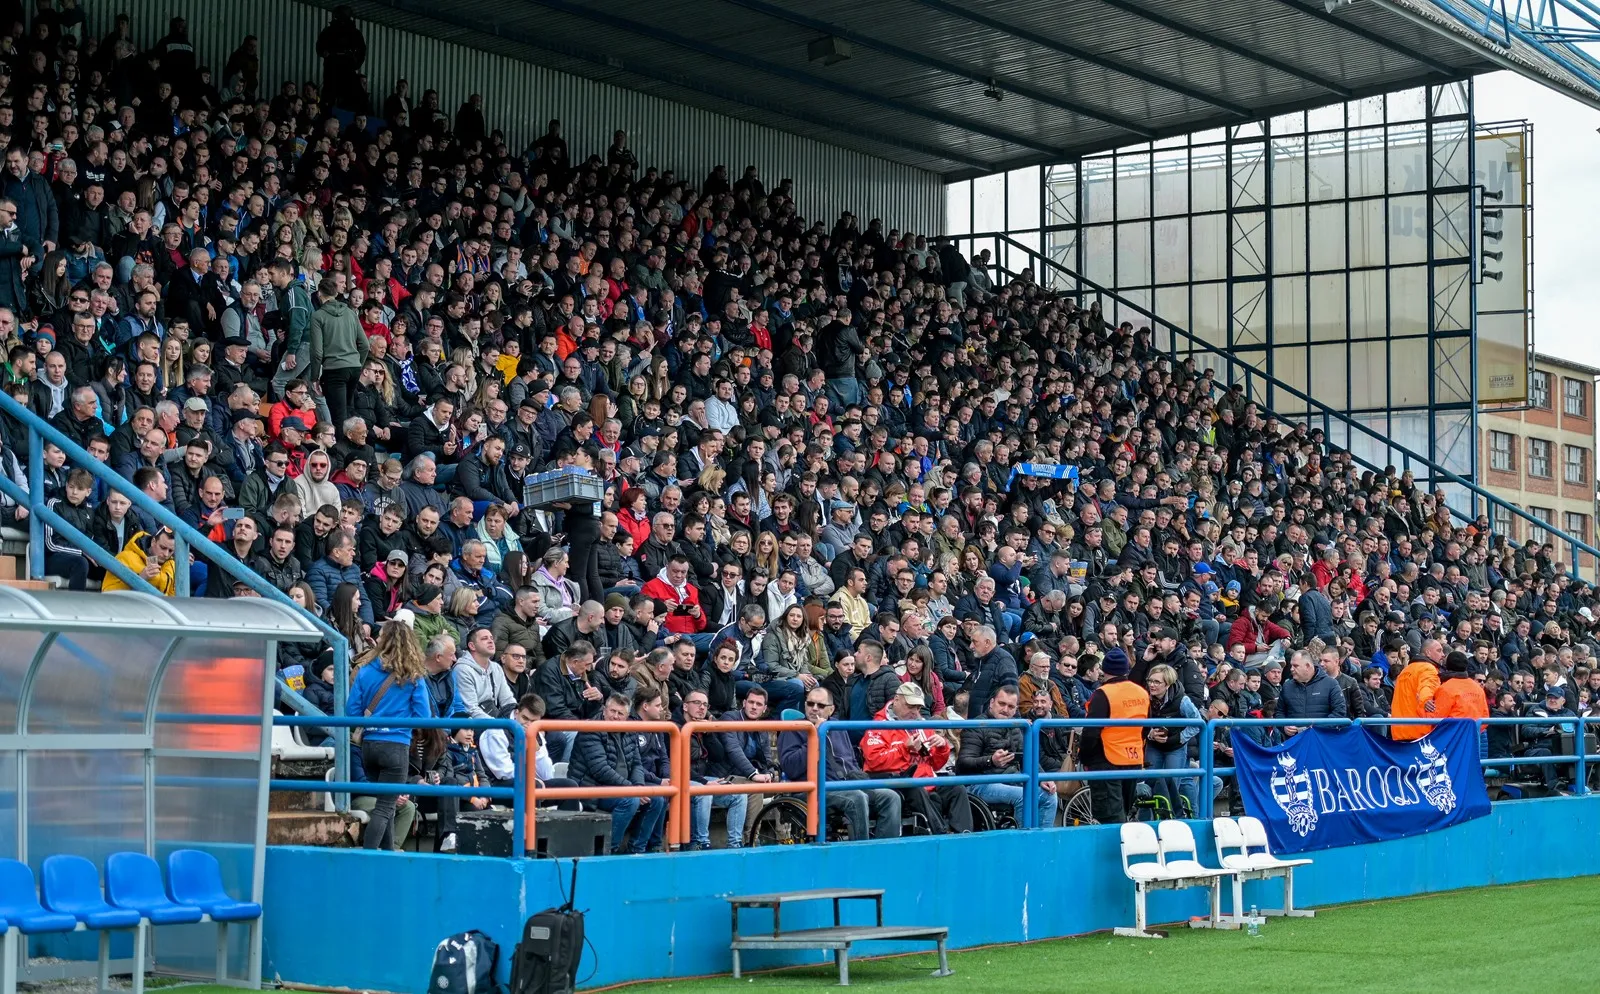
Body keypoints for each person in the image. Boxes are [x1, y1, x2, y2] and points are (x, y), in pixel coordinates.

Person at [346, 620, 433, 851]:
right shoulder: (414, 676)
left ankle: (388, 853)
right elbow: (424, 717)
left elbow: (351, 712)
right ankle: (370, 855)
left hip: (368, 746)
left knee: (386, 805)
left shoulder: (365, 671)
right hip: (395, 746)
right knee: (386, 807)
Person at [780, 685, 901, 840]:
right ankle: (860, 855)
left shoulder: (838, 727)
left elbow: (851, 761)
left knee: (890, 797)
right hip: (814, 790)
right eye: (810, 704)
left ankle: (883, 853)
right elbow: (791, 767)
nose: (814, 709)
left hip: (846, 784)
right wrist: (815, 737)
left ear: (831, 710)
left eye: (821, 705)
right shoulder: (793, 729)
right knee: (856, 798)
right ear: (805, 705)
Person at [861, 682, 971, 834]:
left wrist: (942, 748)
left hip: (926, 782)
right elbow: (874, 762)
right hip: (898, 784)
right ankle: (940, 835)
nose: (915, 712)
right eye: (910, 706)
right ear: (896, 700)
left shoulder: (923, 726)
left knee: (956, 788)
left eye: (918, 708)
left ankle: (964, 836)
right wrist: (904, 749)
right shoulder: (878, 727)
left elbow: (935, 764)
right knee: (915, 787)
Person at [569, 692, 670, 854]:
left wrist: (639, 786)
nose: (615, 717)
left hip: (622, 786)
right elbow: (600, 770)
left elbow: (636, 763)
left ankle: (638, 849)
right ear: (604, 710)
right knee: (629, 801)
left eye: (620, 713)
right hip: (591, 788)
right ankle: (609, 849)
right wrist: (632, 789)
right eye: (612, 711)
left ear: (627, 716)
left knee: (657, 797)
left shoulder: (629, 729)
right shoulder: (590, 730)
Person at [956, 685, 1058, 828]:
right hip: (979, 783)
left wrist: (1041, 778)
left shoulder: (1016, 726)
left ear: (1016, 709)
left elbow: (1026, 757)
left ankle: (1041, 843)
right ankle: (1023, 843)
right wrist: (990, 760)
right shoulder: (976, 726)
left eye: (1011, 706)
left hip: (1010, 779)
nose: (1005, 710)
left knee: (1049, 795)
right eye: (1001, 704)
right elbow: (963, 763)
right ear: (992, 703)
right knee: (1024, 796)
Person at [1079, 648, 1148, 824]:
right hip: (1133, 760)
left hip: (1106, 761)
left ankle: (1113, 851)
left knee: (1109, 819)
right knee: (1124, 812)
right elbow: (1146, 727)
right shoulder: (1141, 692)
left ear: (1104, 669)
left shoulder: (1103, 693)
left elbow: (1091, 731)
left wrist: (1084, 757)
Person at [1277, 649, 1347, 735]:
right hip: (1295, 742)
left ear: (1307, 666)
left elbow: (1339, 712)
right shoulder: (1287, 686)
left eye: (1295, 666)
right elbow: (1279, 712)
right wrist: (1284, 726)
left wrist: (1316, 729)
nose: (1291, 669)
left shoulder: (1331, 684)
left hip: (1322, 740)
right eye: (1291, 665)